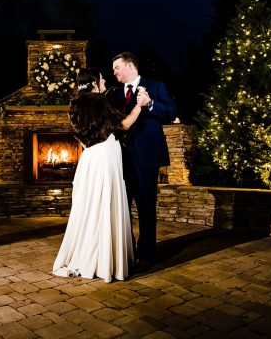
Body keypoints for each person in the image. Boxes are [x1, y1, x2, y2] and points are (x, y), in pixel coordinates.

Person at [52, 67, 150, 282]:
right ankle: (106, 259)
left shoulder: (74, 106)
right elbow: (124, 124)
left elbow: (78, 135)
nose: (105, 80)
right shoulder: (102, 101)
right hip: (106, 156)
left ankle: (87, 253)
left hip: (89, 158)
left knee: (89, 204)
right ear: (94, 83)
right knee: (106, 201)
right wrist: (139, 106)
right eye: (102, 79)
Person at [110, 52, 177, 273]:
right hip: (120, 160)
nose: (114, 72)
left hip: (146, 158)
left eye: (117, 67)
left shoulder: (156, 86)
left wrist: (150, 104)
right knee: (122, 208)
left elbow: (171, 113)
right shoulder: (115, 94)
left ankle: (146, 254)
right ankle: (127, 253)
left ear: (130, 66)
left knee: (146, 207)